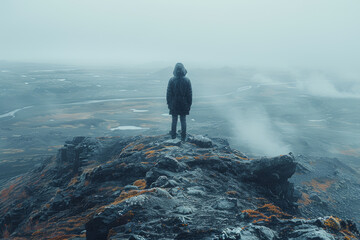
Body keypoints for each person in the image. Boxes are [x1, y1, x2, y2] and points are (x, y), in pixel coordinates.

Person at [166, 63, 192, 141]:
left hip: (174, 104)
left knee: (174, 120)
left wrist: (169, 104)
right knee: (183, 120)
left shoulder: (171, 80)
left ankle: (173, 136)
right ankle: (183, 137)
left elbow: (168, 94)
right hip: (184, 104)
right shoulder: (187, 80)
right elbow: (189, 94)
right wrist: (189, 105)